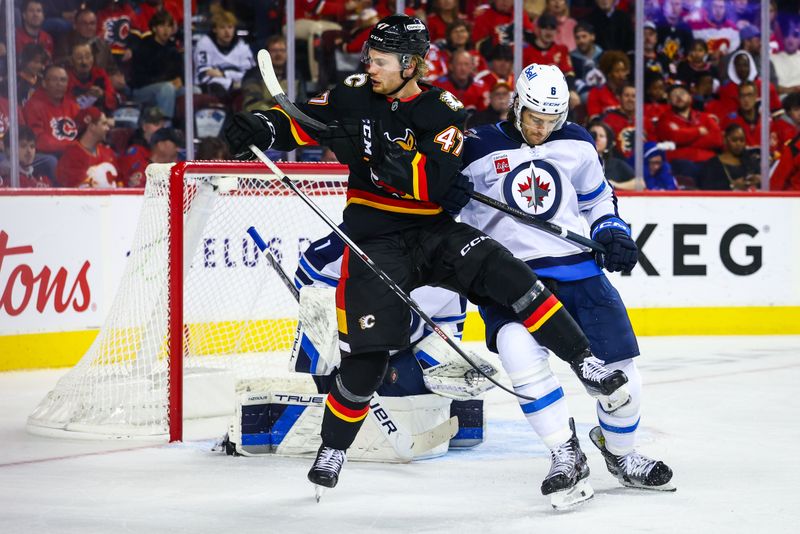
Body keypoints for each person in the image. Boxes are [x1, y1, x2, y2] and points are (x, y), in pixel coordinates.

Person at [223, 14, 630, 499]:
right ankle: (332, 449)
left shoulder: (443, 108)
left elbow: (436, 186)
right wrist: (260, 128)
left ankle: (586, 363)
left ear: (411, 64)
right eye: (369, 57)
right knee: (365, 360)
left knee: (513, 276)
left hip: (432, 233)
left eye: (381, 59)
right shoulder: (352, 98)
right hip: (374, 242)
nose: (369, 65)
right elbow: (300, 122)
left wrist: (383, 155)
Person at [460, 63, 675, 508]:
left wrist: (613, 231)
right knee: (521, 353)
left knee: (622, 377)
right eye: (534, 118)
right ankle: (564, 453)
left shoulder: (576, 141)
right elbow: (445, 211)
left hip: (579, 271)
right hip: (511, 276)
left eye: (551, 121)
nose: (542, 128)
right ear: (516, 104)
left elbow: (598, 200)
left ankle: (621, 455)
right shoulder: (475, 146)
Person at [193, 9, 255, 101]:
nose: (227, 32)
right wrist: (233, 79)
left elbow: (249, 73)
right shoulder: (205, 43)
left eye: (230, 27)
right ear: (214, 29)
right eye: (222, 27)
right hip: (210, 86)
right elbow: (206, 72)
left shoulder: (242, 46)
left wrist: (223, 73)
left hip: (238, 85)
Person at [55, 107, 118, 187]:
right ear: (92, 126)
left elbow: (119, 182)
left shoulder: (108, 152)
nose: (107, 128)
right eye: (104, 124)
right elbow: (74, 191)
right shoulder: (72, 155)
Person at [698, 123, 760, 191]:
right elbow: (707, 188)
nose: (738, 144)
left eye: (742, 140)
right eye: (734, 140)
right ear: (725, 140)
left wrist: (758, 180)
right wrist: (732, 186)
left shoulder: (749, 162)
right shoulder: (712, 165)